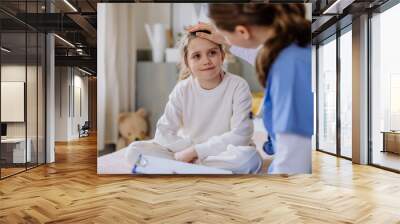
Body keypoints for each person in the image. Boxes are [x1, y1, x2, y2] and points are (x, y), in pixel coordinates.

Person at [187, 3, 313, 174]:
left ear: (242, 32)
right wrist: (225, 38)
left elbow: (293, 157)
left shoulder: (287, 66)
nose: (206, 61)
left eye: (225, 35)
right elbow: (262, 55)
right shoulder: (288, 53)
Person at [124, 30, 262, 174]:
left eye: (212, 53)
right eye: (197, 56)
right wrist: (188, 149)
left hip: (224, 151)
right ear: (187, 62)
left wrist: (196, 151)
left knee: (250, 158)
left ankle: (186, 168)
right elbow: (163, 132)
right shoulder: (182, 89)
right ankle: (198, 167)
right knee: (134, 151)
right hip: (186, 151)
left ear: (222, 55)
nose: (206, 61)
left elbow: (241, 134)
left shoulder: (238, 85)